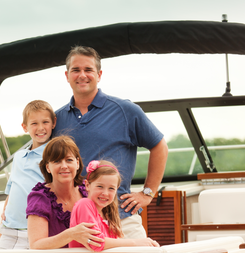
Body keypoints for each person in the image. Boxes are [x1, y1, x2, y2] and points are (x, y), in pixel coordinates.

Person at [51, 46, 169, 239]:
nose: (82, 75)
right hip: (75, 221)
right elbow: (42, 162)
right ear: (67, 75)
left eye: (88, 70)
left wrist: (148, 193)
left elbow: (160, 147)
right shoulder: (57, 119)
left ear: (99, 74)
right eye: (76, 70)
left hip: (121, 218)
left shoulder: (125, 110)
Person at [26, 136, 104, 249]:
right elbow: (36, 245)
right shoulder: (40, 198)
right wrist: (71, 234)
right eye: (57, 161)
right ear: (48, 167)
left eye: (69, 160)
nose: (64, 166)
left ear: (77, 163)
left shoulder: (89, 190)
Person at [0, 100, 55, 249]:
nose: (40, 128)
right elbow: (12, 187)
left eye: (45, 122)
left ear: (53, 123)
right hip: (8, 228)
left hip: (35, 230)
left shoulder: (54, 155)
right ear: (25, 127)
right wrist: (5, 212)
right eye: (34, 123)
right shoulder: (19, 156)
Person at [68, 160, 159, 251]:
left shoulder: (108, 216)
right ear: (87, 185)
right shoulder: (84, 204)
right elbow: (96, 243)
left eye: (111, 188)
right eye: (100, 186)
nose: (105, 193)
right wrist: (137, 242)